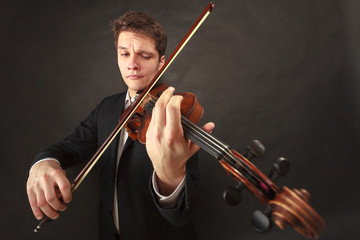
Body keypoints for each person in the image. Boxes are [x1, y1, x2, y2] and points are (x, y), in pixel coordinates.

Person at [26, 10, 215, 240]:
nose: (132, 64)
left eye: (144, 56)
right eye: (124, 54)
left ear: (161, 62)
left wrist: (170, 177)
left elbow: (182, 214)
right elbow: (70, 148)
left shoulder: (174, 114)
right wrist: (43, 164)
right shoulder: (107, 108)